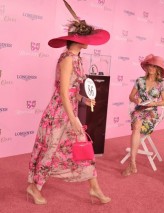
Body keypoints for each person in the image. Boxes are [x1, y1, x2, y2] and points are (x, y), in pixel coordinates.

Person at [26, 0, 111, 205]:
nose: (89, 41)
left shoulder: (78, 58)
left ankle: (94, 188)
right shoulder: (67, 59)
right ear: (78, 40)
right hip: (59, 112)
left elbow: (72, 91)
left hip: (69, 109)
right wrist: (73, 119)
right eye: (87, 38)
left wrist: (82, 98)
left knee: (83, 149)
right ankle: (34, 187)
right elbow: (62, 92)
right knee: (51, 147)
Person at [122, 54, 164, 176]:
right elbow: (131, 96)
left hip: (152, 111)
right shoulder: (140, 80)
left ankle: (132, 163)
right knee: (137, 125)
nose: (151, 68)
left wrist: (154, 103)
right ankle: (132, 162)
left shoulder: (162, 83)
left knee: (138, 126)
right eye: (149, 66)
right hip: (139, 108)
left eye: (154, 66)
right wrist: (135, 100)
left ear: (158, 69)